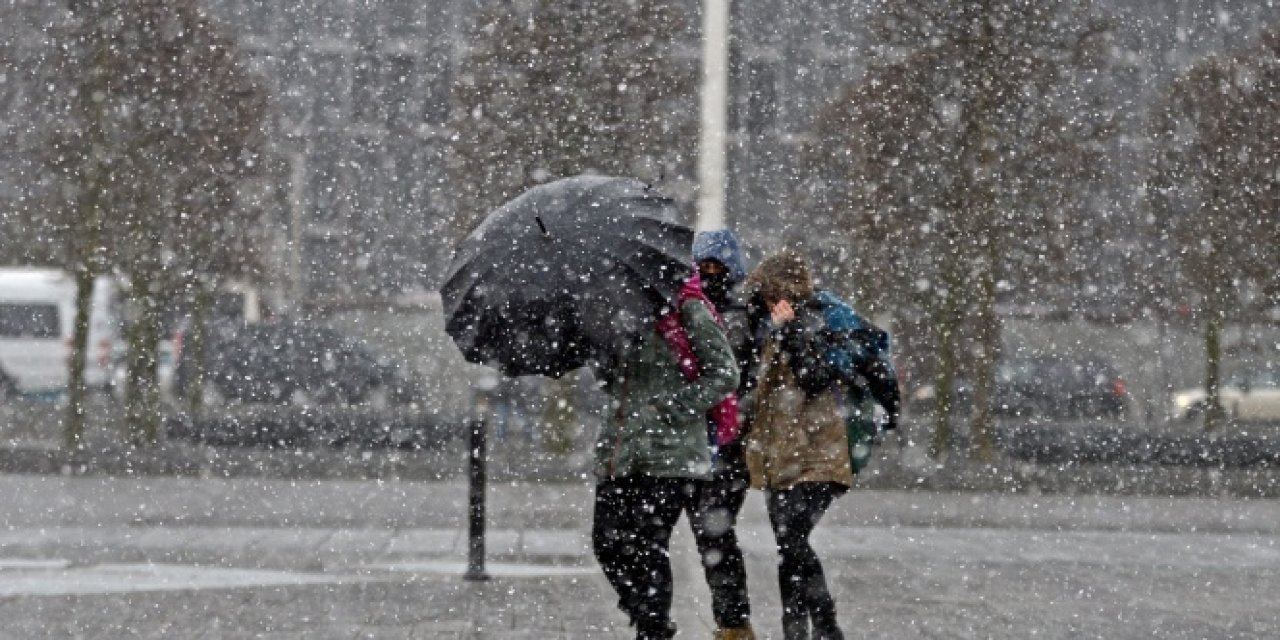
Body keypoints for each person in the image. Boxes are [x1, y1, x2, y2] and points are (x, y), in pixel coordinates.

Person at [742, 251, 900, 640]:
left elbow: (815, 377)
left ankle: (826, 628)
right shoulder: (767, 324)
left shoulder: (820, 320)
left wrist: (790, 332)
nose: (762, 303)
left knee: (793, 538)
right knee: (787, 544)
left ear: (782, 291)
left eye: (766, 294)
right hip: (780, 450)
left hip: (823, 449)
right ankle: (795, 631)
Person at [591, 272, 740, 640]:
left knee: (647, 545)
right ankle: (647, 614)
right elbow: (615, 382)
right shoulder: (618, 312)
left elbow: (724, 374)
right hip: (620, 451)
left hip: (670, 454)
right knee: (606, 541)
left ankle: (653, 627)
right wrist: (603, 356)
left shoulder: (687, 309)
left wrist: (672, 408)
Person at [688, 229, 759, 640]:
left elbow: (736, 375)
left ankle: (733, 621)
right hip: (704, 437)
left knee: (714, 530)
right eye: (704, 266)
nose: (711, 274)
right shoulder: (693, 309)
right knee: (710, 531)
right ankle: (732, 620)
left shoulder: (739, 314)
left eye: (718, 267)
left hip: (727, 439)